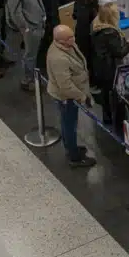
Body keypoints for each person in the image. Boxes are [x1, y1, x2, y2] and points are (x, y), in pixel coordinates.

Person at [46, 25, 97, 168]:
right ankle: (74, 158)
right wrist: (82, 96)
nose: (73, 39)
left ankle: (71, 147)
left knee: (68, 122)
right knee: (69, 125)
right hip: (67, 97)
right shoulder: (58, 58)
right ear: (60, 41)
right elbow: (66, 86)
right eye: (69, 38)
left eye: (72, 36)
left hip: (71, 94)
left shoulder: (68, 45)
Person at [91, 1, 129, 126]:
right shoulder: (110, 33)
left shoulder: (97, 25)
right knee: (116, 95)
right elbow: (120, 52)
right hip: (111, 69)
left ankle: (107, 116)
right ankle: (118, 120)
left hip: (100, 66)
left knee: (106, 94)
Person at [6, 0, 47, 92]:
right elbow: (15, 12)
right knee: (30, 55)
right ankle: (27, 79)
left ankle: (34, 75)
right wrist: (26, 27)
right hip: (31, 27)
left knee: (34, 53)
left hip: (38, 23)